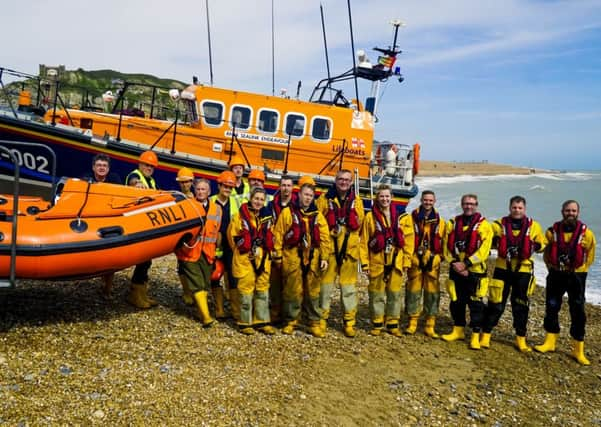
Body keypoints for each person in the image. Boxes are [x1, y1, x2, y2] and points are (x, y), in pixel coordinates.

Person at [481, 196, 547, 352]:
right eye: (514, 207)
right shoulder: (498, 225)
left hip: (523, 271)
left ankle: (521, 339)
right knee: (495, 304)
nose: (517, 210)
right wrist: (497, 242)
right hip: (502, 269)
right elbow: (486, 237)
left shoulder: (534, 226)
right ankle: (486, 335)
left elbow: (543, 244)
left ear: (524, 209)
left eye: (520, 208)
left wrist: (533, 246)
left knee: (521, 306)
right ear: (509, 208)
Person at [535, 200, 596, 365]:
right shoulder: (552, 232)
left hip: (577, 276)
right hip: (556, 274)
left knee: (578, 310)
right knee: (552, 306)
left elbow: (590, 255)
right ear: (562, 211)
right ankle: (550, 342)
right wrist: (550, 267)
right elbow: (545, 250)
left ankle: (578, 349)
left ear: (578, 213)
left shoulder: (587, 234)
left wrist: (580, 270)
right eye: (568, 210)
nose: (571, 213)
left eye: (574, 211)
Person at [272, 179, 331, 337]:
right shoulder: (287, 213)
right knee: (292, 291)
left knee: (313, 292)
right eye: (305, 194)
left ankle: (314, 322)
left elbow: (325, 239)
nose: (307, 198)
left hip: (313, 258)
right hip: (292, 257)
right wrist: (277, 256)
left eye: (311, 195)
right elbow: (278, 235)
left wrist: (324, 257)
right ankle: (291, 321)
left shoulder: (318, 216)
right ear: (299, 195)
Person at [360, 184, 414, 337]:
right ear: (377, 198)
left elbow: (409, 241)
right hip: (376, 262)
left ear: (392, 198)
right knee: (376, 294)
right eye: (381, 196)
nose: (384, 199)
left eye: (387, 196)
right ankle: (377, 323)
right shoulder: (370, 217)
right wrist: (365, 263)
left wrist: (407, 261)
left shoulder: (403, 218)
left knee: (394, 295)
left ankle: (392, 324)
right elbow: (363, 242)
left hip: (396, 261)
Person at [441, 194, 493, 349]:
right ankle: (458, 329)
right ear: (461, 205)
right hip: (456, 268)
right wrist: (454, 263)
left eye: (471, 204)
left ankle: (476, 335)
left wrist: (466, 264)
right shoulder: (452, 223)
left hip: (475, 271)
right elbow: (445, 247)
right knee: (456, 301)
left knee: (476, 303)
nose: (468, 206)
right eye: (465, 203)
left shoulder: (485, 226)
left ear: (476, 205)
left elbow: (484, 250)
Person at [317, 169, 365, 337]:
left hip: (349, 253)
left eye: (347, 180)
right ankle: (321, 320)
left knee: (349, 289)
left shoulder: (357, 202)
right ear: (335, 180)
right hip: (329, 251)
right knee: (324, 288)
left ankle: (349, 322)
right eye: (340, 179)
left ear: (351, 182)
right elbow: (318, 224)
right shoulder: (323, 200)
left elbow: (360, 225)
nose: (343, 182)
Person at [227, 187, 275, 335]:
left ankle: (261, 321)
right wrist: (245, 252)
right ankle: (244, 322)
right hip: (245, 259)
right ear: (250, 198)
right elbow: (232, 238)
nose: (258, 202)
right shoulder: (239, 217)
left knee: (262, 291)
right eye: (256, 198)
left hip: (263, 260)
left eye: (261, 199)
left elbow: (272, 237)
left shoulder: (267, 218)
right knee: (245, 292)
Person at [174, 178, 222, 326]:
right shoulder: (188, 206)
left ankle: (198, 309)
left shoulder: (217, 209)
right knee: (197, 283)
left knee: (205, 283)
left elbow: (216, 231)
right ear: (195, 191)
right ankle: (206, 317)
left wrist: (216, 251)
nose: (201, 192)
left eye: (203, 189)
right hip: (190, 251)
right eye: (199, 189)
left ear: (209, 192)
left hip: (207, 253)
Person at [405, 190, 445, 338]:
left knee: (432, 293)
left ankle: (430, 324)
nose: (427, 203)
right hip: (415, 259)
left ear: (434, 202)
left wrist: (439, 258)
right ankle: (412, 322)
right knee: (413, 291)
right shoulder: (411, 218)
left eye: (430, 201)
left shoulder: (441, 222)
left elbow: (444, 243)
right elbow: (406, 239)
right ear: (421, 200)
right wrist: (409, 258)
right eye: (425, 200)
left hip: (432, 261)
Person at [82, 153, 122, 298]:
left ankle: (107, 288)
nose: (101, 168)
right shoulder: (87, 179)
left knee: (111, 256)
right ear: (93, 167)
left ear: (108, 168)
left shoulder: (114, 180)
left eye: (104, 166)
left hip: (109, 220)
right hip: (92, 220)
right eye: (99, 165)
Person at [125, 150, 160, 308]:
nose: (149, 168)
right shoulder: (135, 175)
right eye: (146, 165)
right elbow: (133, 182)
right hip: (137, 222)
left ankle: (142, 293)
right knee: (144, 260)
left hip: (148, 222)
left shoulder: (151, 181)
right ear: (140, 164)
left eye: (151, 166)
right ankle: (135, 294)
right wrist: (136, 185)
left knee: (147, 261)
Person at [210, 170, 240, 320]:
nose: (227, 190)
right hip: (213, 245)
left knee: (233, 277)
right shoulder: (210, 201)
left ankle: (235, 311)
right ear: (219, 186)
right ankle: (219, 309)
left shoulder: (236, 202)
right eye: (225, 186)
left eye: (230, 187)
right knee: (214, 276)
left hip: (230, 246)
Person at [267, 175, 297, 323]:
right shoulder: (271, 205)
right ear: (279, 187)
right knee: (275, 282)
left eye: (288, 185)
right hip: (275, 247)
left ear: (293, 188)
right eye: (283, 185)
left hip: (292, 249)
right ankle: (275, 311)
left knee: (291, 284)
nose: (286, 188)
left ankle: (290, 315)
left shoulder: (297, 206)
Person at [175, 167, 196, 305]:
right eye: (182, 182)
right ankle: (186, 291)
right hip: (181, 234)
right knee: (182, 263)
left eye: (187, 182)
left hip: (192, 234)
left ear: (191, 182)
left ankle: (192, 290)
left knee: (192, 264)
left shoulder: (196, 197)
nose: (184, 184)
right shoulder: (175, 196)